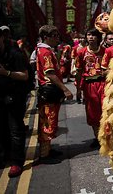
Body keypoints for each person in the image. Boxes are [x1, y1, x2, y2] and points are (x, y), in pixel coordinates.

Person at [0, 27, 30, 177]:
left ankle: (17, 161)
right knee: (0, 129)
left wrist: (5, 73)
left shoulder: (14, 53)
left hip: (14, 96)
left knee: (15, 129)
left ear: (1, 37)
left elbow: (24, 76)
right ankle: (7, 156)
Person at [35, 25, 73, 163]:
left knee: (50, 119)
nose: (58, 38)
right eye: (55, 36)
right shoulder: (45, 52)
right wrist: (65, 89)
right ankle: (44, 155)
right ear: (46, 37)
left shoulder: (43, 50)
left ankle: (48, 150)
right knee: (48, 121)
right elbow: (50, 74)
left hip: (48, 91)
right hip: (49, 90)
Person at [75, 29, 106, 148]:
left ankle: (107, 136)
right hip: (89, 85)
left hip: (104, 84)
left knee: (105, 110)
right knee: (93, 112)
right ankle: (98, 137)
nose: (91, 37)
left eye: (93, 35)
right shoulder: (81, 52)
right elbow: (79, 71)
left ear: (98, 37)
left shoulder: (105, 51)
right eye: (88, 35)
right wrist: (78, 88)